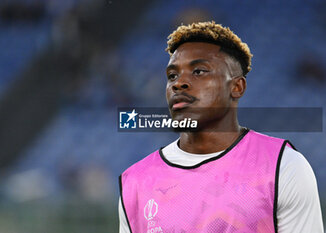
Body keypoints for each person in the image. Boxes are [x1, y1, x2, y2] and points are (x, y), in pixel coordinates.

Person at [118, 21, 323, 233]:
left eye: (198, 71)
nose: (178, 83)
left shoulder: (283, 166)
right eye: (172, 76)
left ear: (236, 87)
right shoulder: (135, 182)